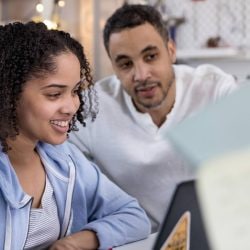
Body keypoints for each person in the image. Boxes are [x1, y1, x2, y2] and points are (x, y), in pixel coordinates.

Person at [69, 4, 238, 232]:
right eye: (126, 64)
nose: (141, 75)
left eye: (150, 56)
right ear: (114, 67)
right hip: (136, 241)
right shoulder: (92, 107)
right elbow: (59, 174)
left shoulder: (214, 89)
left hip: (214, 234)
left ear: (171, 51)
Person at [0, 21, 151, 250]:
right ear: (8, 93)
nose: (71, 106)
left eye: (75, 91)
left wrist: (74, 243)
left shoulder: (64, 159)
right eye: (54, 94)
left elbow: (134, 216)